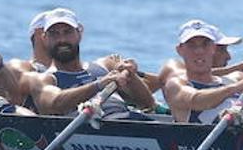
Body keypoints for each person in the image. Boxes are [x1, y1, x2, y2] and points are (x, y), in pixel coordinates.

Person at [20, 8, 155, 118]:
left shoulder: (105, 66)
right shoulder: (43, 79)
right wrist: (99, 85)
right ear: (45, 38)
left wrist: (132, 77)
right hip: (90, 133)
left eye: (67, 32)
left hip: (129, 122)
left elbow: (147, 103)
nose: (62, 40)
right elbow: (54, 104)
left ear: (79, 33)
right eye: (54, 34)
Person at [163, 20, 243, 125]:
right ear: (180, 50)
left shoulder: (235, 80)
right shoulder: (176, 85)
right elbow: (197, 100)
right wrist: (235, 88)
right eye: (191, 46)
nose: (199, 51)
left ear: (213, 48)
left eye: (205, 45)